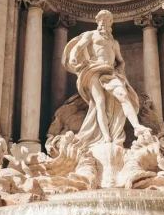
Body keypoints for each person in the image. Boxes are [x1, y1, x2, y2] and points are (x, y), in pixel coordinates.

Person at [63, 10, 148, 146]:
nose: (103, 23)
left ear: (110, 23)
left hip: (110, 72)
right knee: (100, 102)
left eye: (106, 20)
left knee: (123, 95)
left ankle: (137, 127)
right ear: (97, 22)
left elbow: (120, 61)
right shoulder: (91, 35)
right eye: (101, 20)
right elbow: (78, 46)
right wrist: (73, 56)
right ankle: (106, 137)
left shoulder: (114, 43)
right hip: (93, 71)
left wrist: (120, 70)